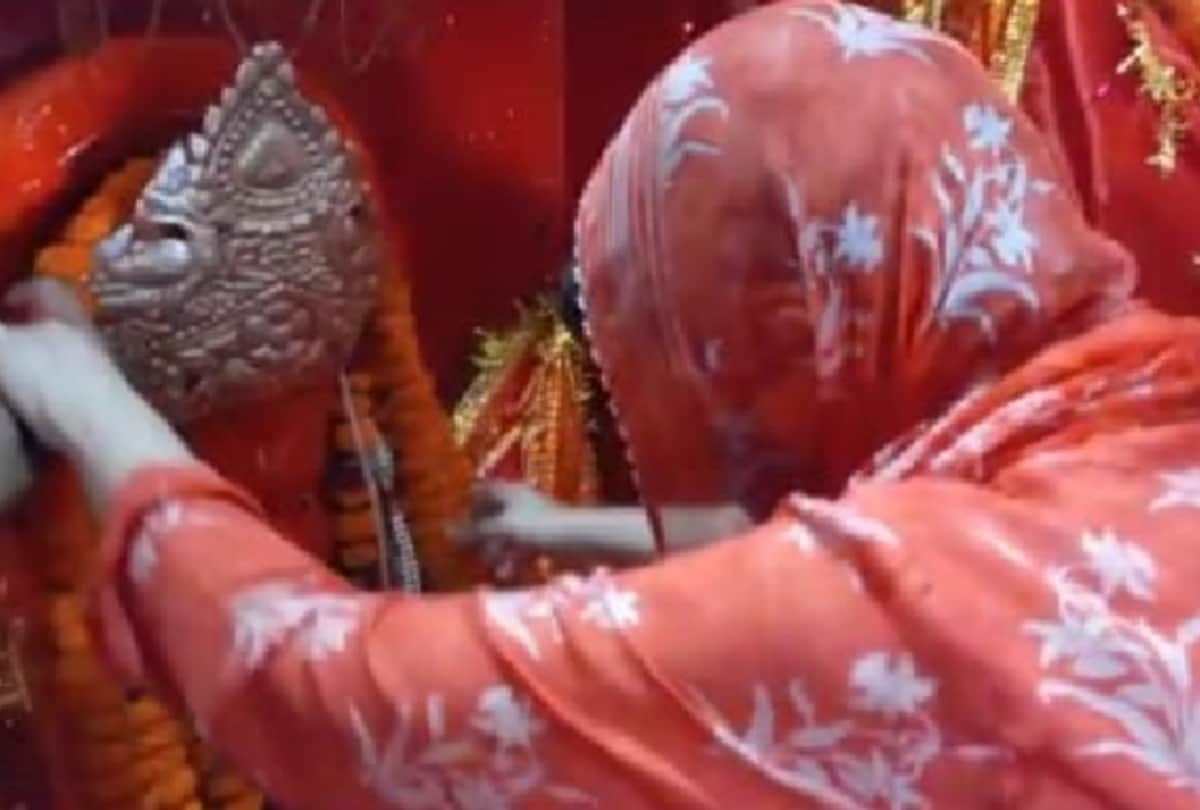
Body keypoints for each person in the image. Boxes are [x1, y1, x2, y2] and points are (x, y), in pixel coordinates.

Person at [3, 2, 1200, 807]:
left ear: (793, 319)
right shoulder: (1136, 404)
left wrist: (85, 402)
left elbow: (343, 699)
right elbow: (830, 533)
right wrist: (563, 532)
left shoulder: (925, 603)